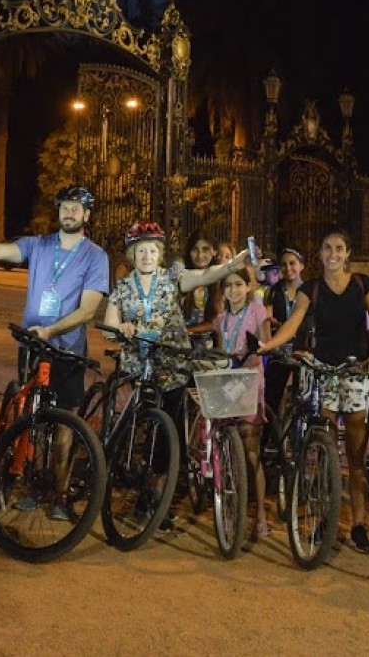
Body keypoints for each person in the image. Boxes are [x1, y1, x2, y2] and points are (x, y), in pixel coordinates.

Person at [100, 221, 247, 530]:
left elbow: (205, 275)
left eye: (152, 251)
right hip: (139, 368)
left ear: (160, 254)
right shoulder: (124, 287)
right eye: (141, 251)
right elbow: (110, 322)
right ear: (132, 254)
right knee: (136, 431)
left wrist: (230, 265)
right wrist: (120, 328)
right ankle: (129, 479)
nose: (146, 256)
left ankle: (159, 498)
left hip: (171, 368)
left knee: (168, 437)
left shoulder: (171, 280)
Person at [259, 227, 369, 553]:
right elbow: (293, 322)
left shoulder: (362, 285)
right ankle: (325, 520)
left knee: (355, 458)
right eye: (327, 248)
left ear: (347, 254)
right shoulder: (310, 288)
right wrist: (269, 345)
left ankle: (358, 524)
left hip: (356, 371)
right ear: (320, 253)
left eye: (339, 248)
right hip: (324, 373)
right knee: (326, 451)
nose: (333, 254)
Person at [0, 185, 110, 412]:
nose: (69, 212)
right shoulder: (37, 244)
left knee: (65, 415)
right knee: (27, 408)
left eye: (75, 208)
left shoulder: (96, 256)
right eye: (64, 207)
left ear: (86, 214)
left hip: (68, 349)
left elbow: (88, 310)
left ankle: (59, 447)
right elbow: (0, 251)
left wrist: (50, 331)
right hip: (32, 341)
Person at [216, 264, 272, 541]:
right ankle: (231, 505)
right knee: (228, 443)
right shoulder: (220, 319)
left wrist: (253, 349)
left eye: (239, 284)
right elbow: (219, 352)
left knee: (251, 447)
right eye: (228, 286)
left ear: (249, 287)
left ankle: (260, 513)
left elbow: (266, 343)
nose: (234, 290)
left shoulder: (257, 311)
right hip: (228, 384)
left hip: (251, 380)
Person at [261, 248, 307, 420]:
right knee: (271, 398)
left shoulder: (310, 291)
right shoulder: (273, 291)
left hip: (301, 351)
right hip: (279, 351)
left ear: (302, 265)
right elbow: (267, 317)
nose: (288, 268)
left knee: (302, 398)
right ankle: (267, 440)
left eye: (293, 263)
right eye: (284, 264)